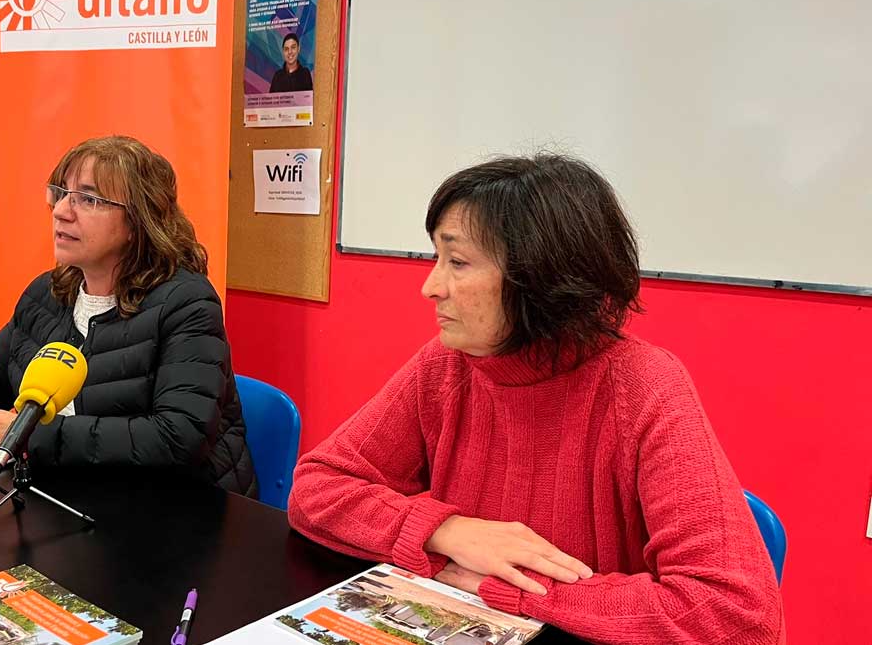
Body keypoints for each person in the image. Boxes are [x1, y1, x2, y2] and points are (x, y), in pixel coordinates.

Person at [287, 155, 783, 643]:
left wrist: (513, 586)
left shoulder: (644, 386)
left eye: (457, 262)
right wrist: (448, 532)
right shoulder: (446, 365)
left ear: (540, 277)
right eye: (435, 258)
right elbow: (318, 488)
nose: (430, 286)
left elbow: (735, 616)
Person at [0, 135, 257, 497]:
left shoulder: (187, 303)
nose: (60, 211)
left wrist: (27, 434)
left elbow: (178, 437)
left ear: (137, 222)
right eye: (61, 192)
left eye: (88, 199)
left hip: (174, 511)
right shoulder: (46, 294)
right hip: (65, 495)